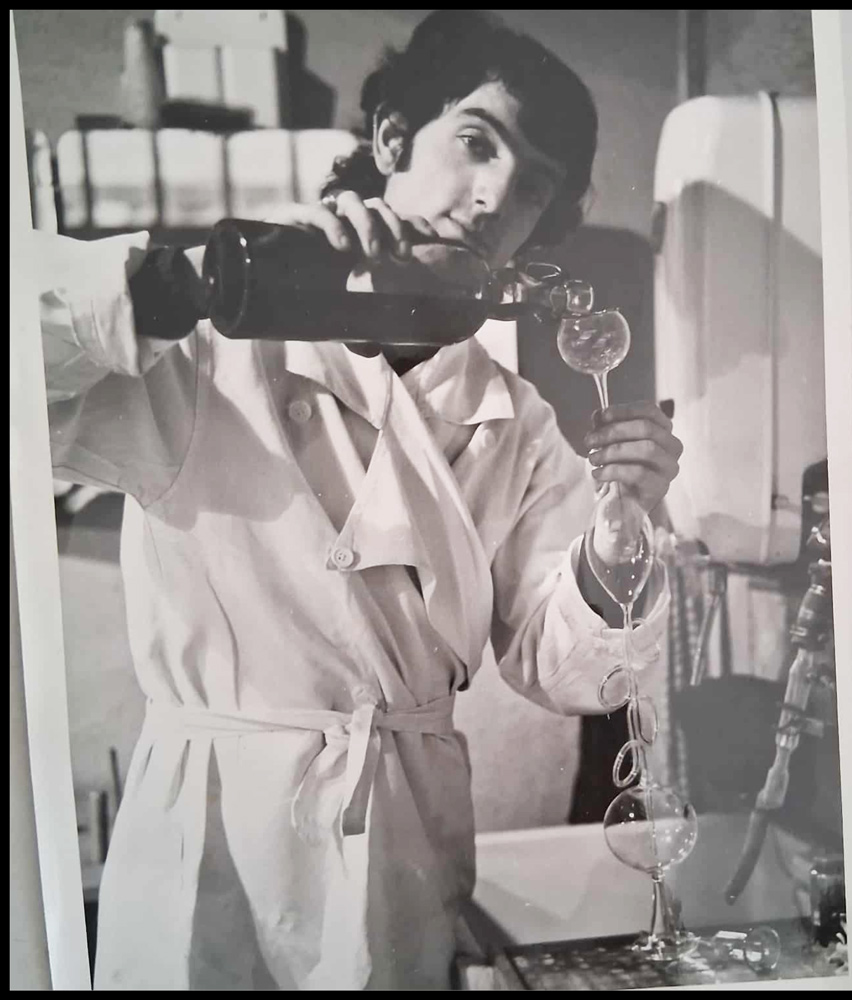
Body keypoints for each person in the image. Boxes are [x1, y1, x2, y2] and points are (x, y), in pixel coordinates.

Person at [39, 10, 683, 990]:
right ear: (390, 139)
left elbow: (566, 667)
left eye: (533, 185)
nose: (495, 197)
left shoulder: (514, 420)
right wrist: (188, 284)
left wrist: (623, 529)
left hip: (400, 846)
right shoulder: (210, 350)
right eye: (477, 142)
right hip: (211, 841)